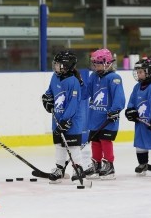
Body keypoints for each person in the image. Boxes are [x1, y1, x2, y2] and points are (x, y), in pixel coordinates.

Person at [41, 50, 85, 183]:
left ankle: (78, 169)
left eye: (58, 64)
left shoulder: (73, 82)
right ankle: (59, 169)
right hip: (57, 119)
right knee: (59, 145)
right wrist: (46, 100)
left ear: (67, 66)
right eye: (55, 64)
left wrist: (65, 121)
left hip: (71, 122)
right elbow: (49, 92)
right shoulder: (55, 77)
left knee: (73, 146)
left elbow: (73, 103)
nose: (55, 67)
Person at [82, 48, 125, 180]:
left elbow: (119, 97)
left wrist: (115, 110)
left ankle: (109, 165)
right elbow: (86, 93)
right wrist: (79, 84)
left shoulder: (114, 78)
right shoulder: (93, 76)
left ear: (107, 63)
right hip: (95, 116)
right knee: (95, 141)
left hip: (108, 117)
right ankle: (97, 164)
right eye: (94, 63)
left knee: (105, 141)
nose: (96, 66)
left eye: (98, 63)